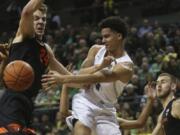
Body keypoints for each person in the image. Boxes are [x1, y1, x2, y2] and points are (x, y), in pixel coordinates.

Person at [42, 16, 134, 135]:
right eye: (102, 37)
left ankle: (50, 58)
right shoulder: (96, 50)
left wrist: (63, 79)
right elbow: (81, 76)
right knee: (82, 128)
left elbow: (99, 77)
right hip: (85, 100)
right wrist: (98, 66)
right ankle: (47, 56)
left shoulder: (126, 66)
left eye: (107, 36)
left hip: (106, 110)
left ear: (119, 36)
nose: (103, 40)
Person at [0, 0, 71, 134]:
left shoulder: (46, 50)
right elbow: (27, 11)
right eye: (36, 18)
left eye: (43, 19)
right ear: (29, 22)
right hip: (12, 101)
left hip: (28, 104)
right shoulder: (24, 36)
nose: (41, 22)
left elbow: (68, 77)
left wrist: (88, 80)